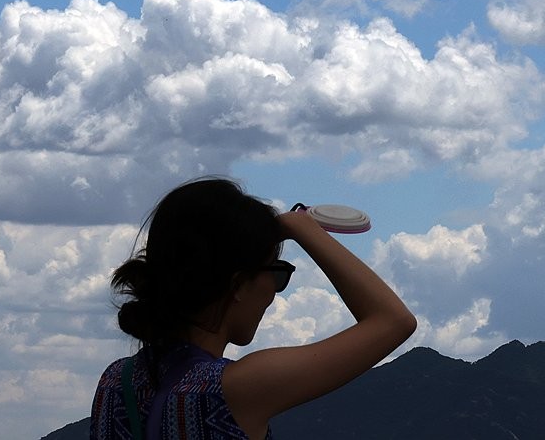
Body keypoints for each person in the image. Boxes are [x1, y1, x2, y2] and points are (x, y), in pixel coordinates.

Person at [89, 177, 417, 439]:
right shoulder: (233, 388)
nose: (274, 296)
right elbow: (394, 320)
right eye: (277, 273)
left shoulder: (117, 381)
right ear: (238, 284)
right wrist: (300, 227)